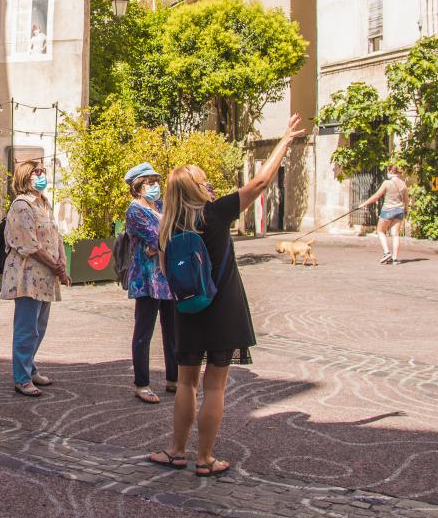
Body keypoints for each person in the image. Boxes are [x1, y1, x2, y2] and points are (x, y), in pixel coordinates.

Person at [147, 114, 306, 477]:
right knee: (215, 385)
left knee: (185, 382)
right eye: (205, 182)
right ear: (197, 189)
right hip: (223, 307)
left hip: (187, 310)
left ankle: (176, 451)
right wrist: (284, 140)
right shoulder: (215, 215)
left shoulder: (167, 227)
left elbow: (165, 271)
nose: (211, 186)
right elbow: (262, 181)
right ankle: (205, 458)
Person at [0, 160, 70, 397]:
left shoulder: (43, 202)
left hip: (46, 276)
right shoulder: (21, 205)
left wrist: (61, 263)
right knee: (26, 328)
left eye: (42, 171)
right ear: (24, 177)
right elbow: (29, 245)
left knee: (39, 326)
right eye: (35, 172)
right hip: (28, 276)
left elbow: (55, 235)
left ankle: (29, 368)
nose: (41, 175)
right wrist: (57, 267)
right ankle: (21, 377)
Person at [122, 162, 177, 405]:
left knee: (173, 329)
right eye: (149, 182)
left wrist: (160, 244)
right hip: (146, 280)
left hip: (166, 277)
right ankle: (141, 383)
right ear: (137, 186)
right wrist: (160, 243)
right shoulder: (135, 212)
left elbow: (173, 232)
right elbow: (160, 236)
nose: (155, 185)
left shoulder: (162, 206)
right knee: (144, 332)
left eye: (156, 180)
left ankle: (174, 378)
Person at [361, 162, 410, 265]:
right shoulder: (403, 184)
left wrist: (364, 204)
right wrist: (406, 210)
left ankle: (386, 253)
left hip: (388, 210)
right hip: (399, 210)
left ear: (390, 171)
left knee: (380, 230)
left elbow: (376, 196)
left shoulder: (387, 183)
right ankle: (395, 258)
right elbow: (406, 200)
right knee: (395, 234)